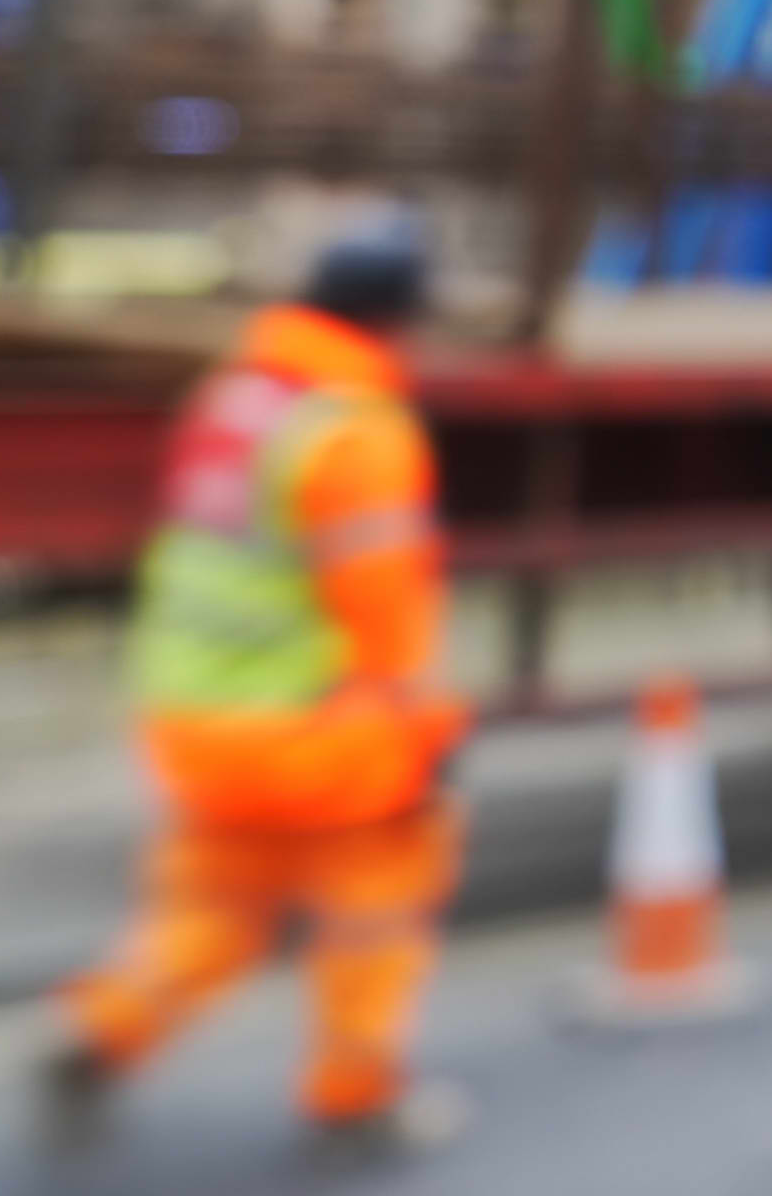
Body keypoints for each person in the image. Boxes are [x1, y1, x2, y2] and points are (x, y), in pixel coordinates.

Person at [41, 211, 473, 1161]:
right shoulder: (360, 432)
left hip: (192, 719)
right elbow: (390, 617)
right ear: (392, 322)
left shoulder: (232, 398)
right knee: (378, 906)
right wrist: (434, 737)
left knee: (212, 914)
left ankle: (103, 1027)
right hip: (314, 735)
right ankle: (354, 1094)